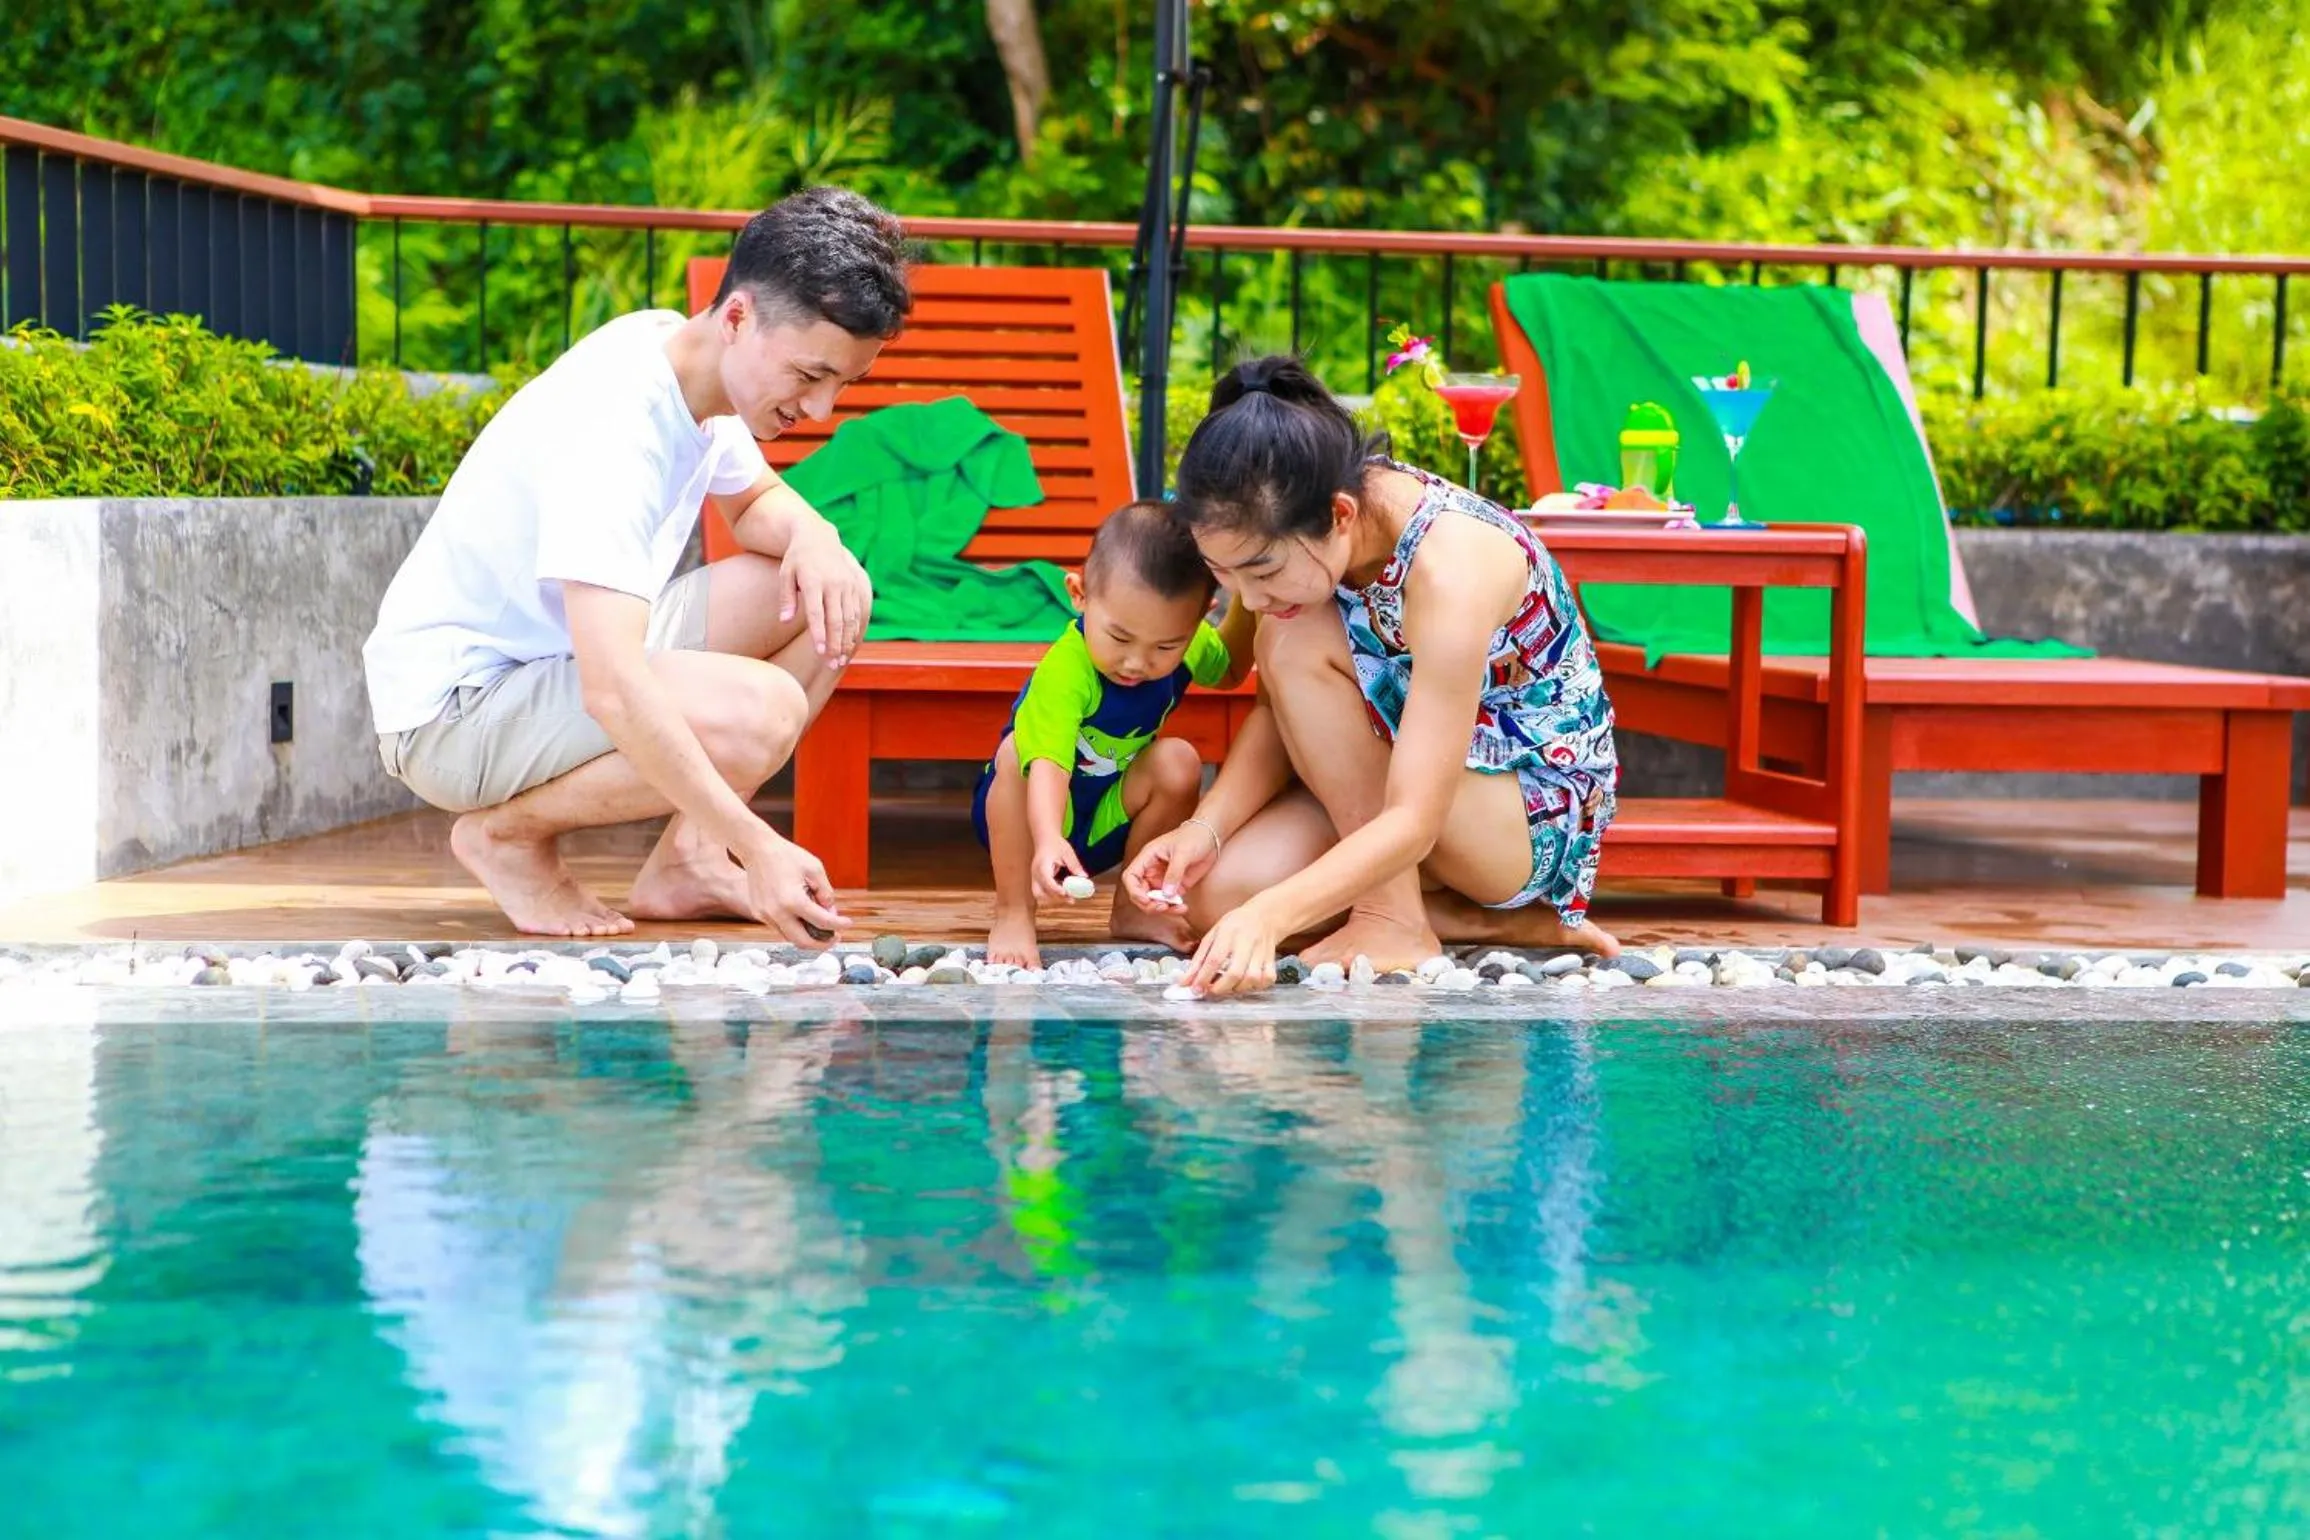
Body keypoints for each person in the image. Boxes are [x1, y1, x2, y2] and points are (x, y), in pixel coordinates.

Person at [363, 187, 908, 944]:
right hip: (456, 712)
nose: (819, 412)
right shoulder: (618, 431)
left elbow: (754, 508)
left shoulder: (680, 352)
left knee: (824, 593)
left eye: (841, 385)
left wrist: (816, 536)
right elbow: (614, 689)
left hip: (549, 665)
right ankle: (505, 838)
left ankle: (690, 858)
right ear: (739, 317)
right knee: (763, 713)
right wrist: (761, 847)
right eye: (809, 377)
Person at [1122, 356, 1621, 995]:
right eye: (1228, 577)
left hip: (1518, 809)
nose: (1251, 597)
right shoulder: (1295, 539)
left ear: (1340, 515)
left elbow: (1414, 816)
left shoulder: (1451, 567)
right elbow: (1278, 712)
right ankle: (1454, 919)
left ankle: (1394, 915)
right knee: (1210, 901)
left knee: (1264, 909)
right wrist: (1201, 829)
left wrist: (1275, 915)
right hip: (1394, 768)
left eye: (1262, 573)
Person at [974, 500, 1256, 969]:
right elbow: (1049, 761)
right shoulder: (1067, 670)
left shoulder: (1185, 638)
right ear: (1079, 594)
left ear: (1196, 621)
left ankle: (1132, 910)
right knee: (1015, 752)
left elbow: (1228, 671)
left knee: (1179, 760)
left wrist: (1250, 595)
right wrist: (1047, 837)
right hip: (1029, 817)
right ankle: (1013, 912)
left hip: (1108, 816)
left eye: (1166, 646)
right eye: (1120, 638)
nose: (1136, 662)